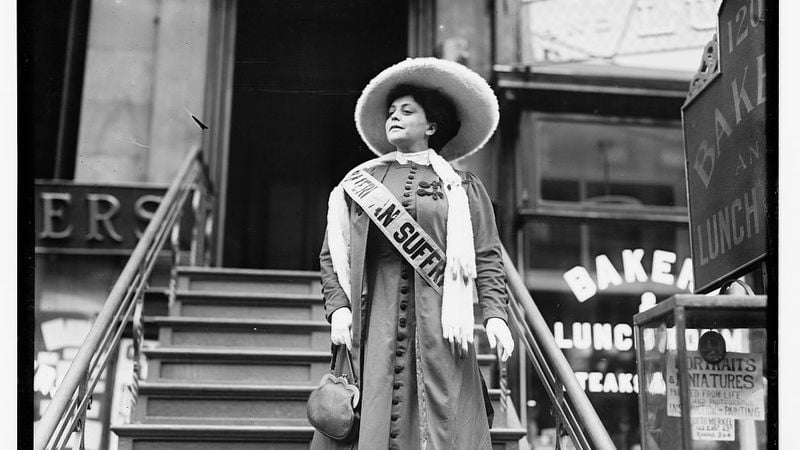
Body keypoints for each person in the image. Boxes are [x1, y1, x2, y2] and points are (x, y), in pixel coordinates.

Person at [317, 57, 514, 449]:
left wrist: (495, 315)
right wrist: (338, 307)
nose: (395, 117)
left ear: (432, 125)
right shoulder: (359, 185)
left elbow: (488, 255)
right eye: (391, 112)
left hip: (443, 327)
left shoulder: (463, 187)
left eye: (408, 111)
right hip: (375, 321)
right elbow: (331, 254)